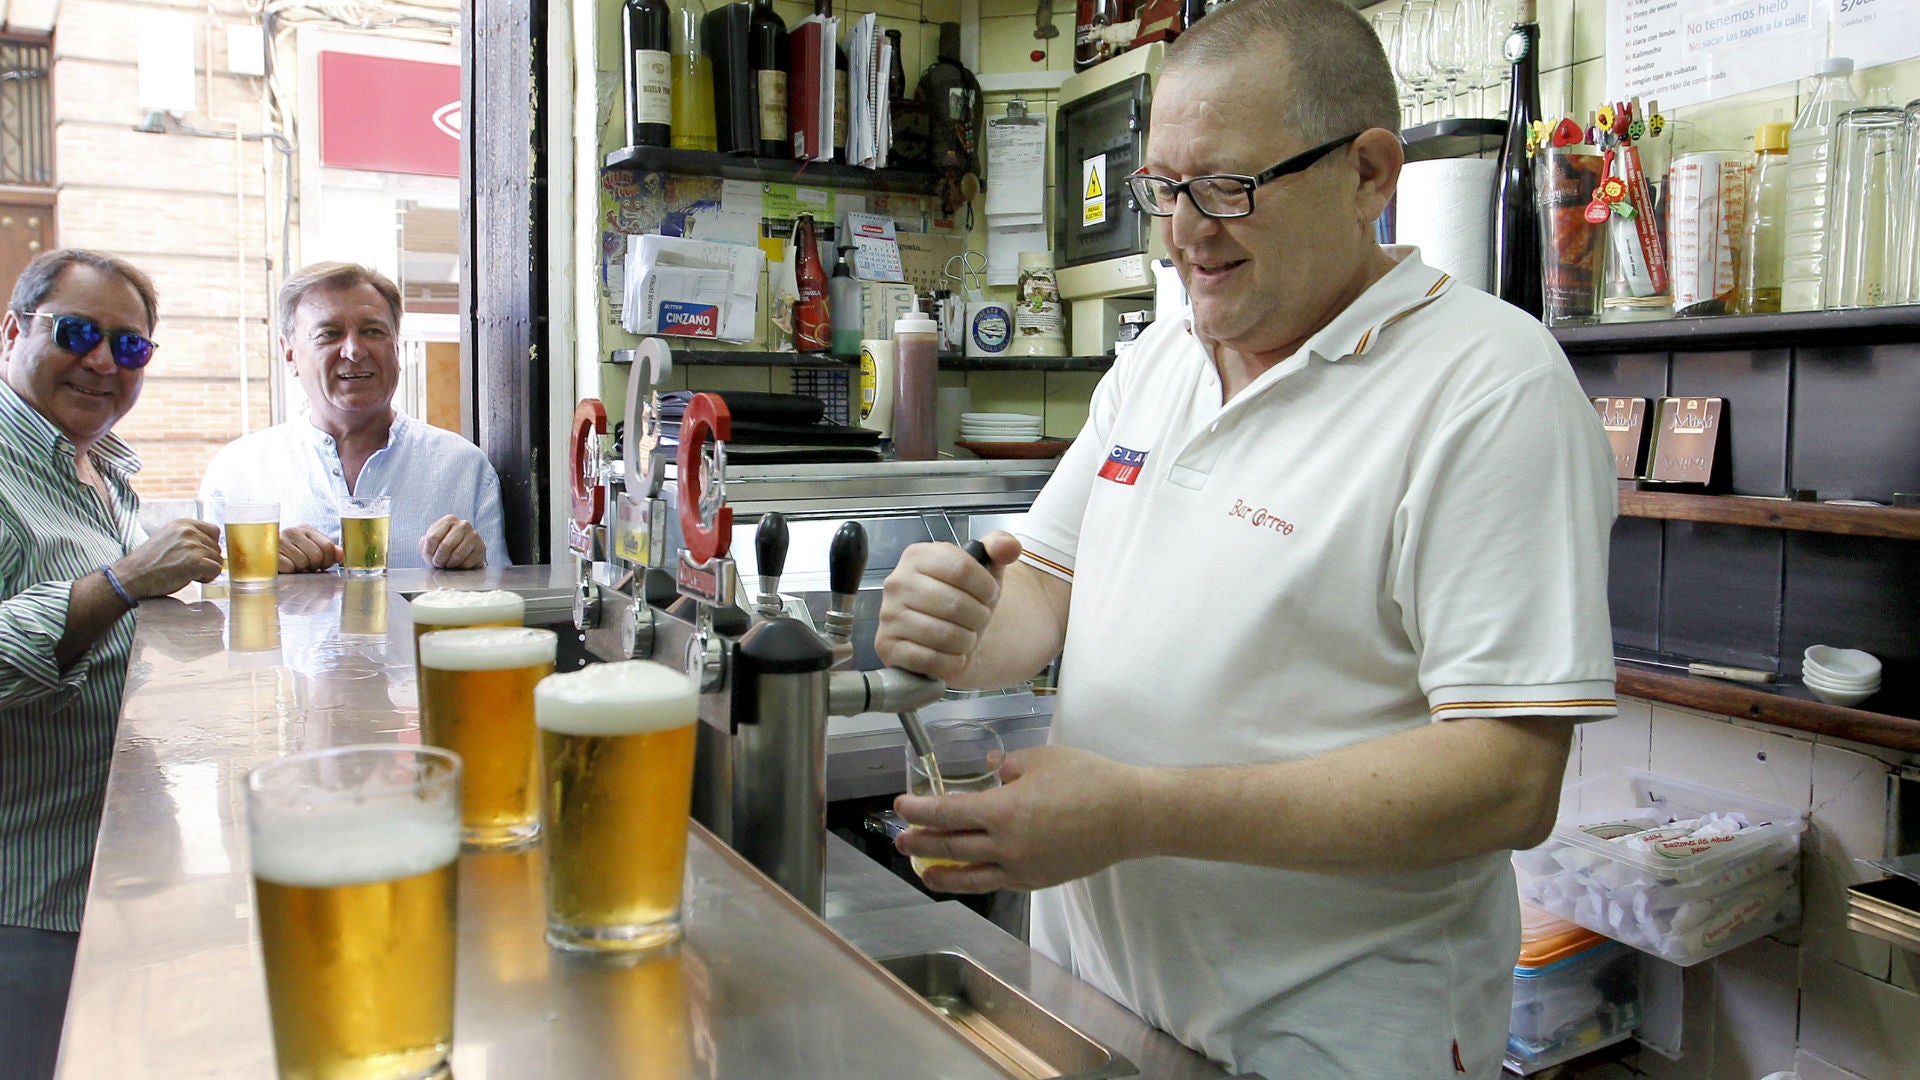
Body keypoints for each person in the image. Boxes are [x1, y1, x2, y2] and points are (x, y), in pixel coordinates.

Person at [873, 2, 1618, 1076]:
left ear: (1369, 173)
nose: (1184, 233)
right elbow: (1043, 581)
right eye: (1163, 190)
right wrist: (957, 622)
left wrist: (1136, 813)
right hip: (1095, 1000)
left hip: (1321, 1035)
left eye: (1228, 188)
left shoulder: (1488, 389)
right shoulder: (1164, 355)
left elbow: (1507, 778)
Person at [0, 249, 223, 1075]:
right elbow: (110, 591)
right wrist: (128, 577)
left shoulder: (97, 469)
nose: (102, 362)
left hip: (103, 879)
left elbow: (125, 609)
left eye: (128, 347)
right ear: (14, 330)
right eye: (78, 333)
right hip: (25, 891)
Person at [197, 262, 507, 571]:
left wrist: (475, 568)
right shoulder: (236, 473)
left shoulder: (464, 468)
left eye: (372, 331)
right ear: (290, 353)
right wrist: (262, 564)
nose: (354, 351)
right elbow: (215, 607)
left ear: (396, 346)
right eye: (329, 334)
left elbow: (500, 600)